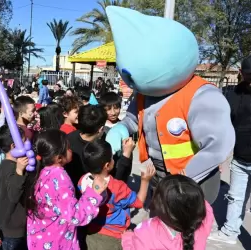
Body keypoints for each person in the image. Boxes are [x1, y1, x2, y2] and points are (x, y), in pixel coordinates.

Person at [105, 6, 234, 205]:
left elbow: (217, 145)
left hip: (191, 176)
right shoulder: (143, 94)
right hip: (156, 171)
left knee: (184, 226)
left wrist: (188, 175)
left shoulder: (200, 94)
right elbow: (133, 118)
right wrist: (121, 129)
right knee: (160, 222)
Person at [25, 130, 107, 250]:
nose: (71, 150)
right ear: (59, 158)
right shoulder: (60, 178)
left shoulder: (42, 172)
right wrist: (94, 193)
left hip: (40, 240)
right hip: (58, 242)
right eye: (68, 148)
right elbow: (74, 216)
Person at [80, 140, 155, 250]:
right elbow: (138, 202)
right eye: (112, 158)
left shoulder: (82, 181)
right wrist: (145, 180)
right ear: (107, 165)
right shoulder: (117, 187)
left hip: (91, 233)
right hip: (113, 237)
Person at [209, 55, 251, 244]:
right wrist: (219, 157)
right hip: (241, 159)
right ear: (241, 73)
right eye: (249, 75)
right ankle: (230, 232)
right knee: (235, 197)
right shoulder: (233, 94)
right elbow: (225, 127)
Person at [122, 175, 214, 250]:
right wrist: (185, 189)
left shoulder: (146, 231)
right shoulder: (203, 222)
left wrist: (127, 238)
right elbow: (202, 204)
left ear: (159, 205)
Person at [0, 125, 30, 250]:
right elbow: (14, 195)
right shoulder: (11, 167)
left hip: (9, 224)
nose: (28, 144)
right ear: (14, 147)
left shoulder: (6, 163)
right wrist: (19, 172)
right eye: (24, 141)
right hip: (13, 228)